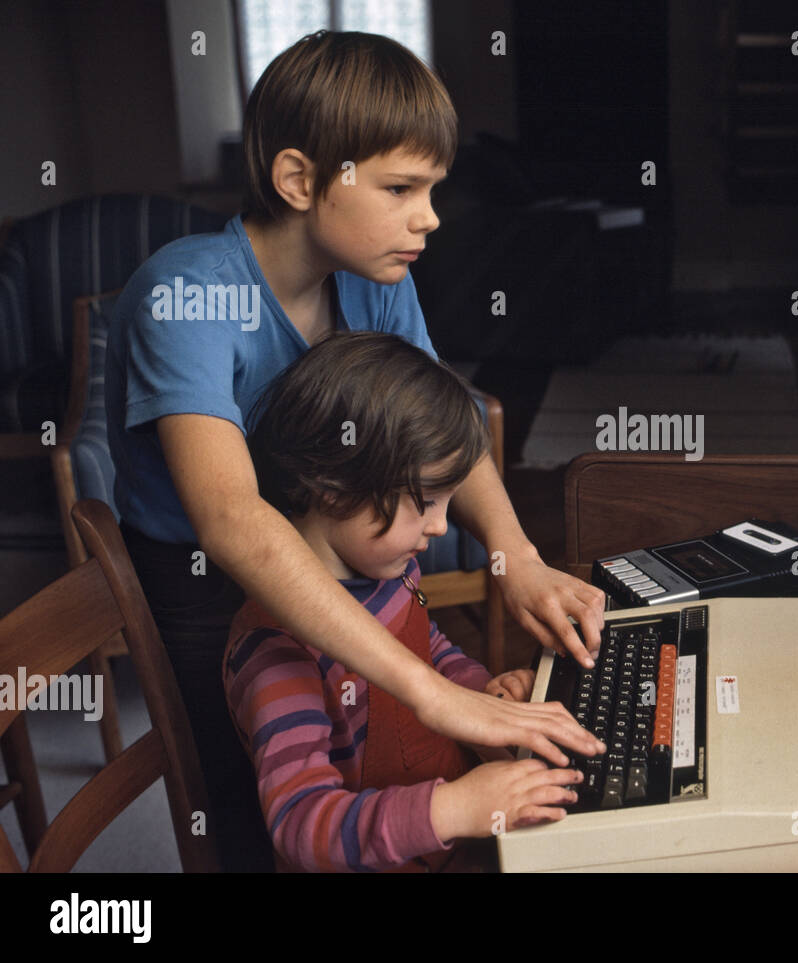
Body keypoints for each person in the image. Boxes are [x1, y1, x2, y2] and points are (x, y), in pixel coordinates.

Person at [105, 30, 604, 871]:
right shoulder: (185, 296)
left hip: (334, 551)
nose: (431, 216)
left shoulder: (380, 279)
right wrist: (437, 694)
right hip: (211, 586)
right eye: (402, 187)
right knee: (262, 815)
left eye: (433, 188)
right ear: (300, 179)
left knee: (389, 762)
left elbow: (442, 422)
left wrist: (515, 555)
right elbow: (230, 518)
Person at [224, 332, 582, 872]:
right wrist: (457, 808)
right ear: (332, 485)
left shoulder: (386, 569)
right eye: (425, 502)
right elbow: (299, 824)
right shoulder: (275, 650)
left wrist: (481, 692)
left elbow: (429, 648)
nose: (441, 526)